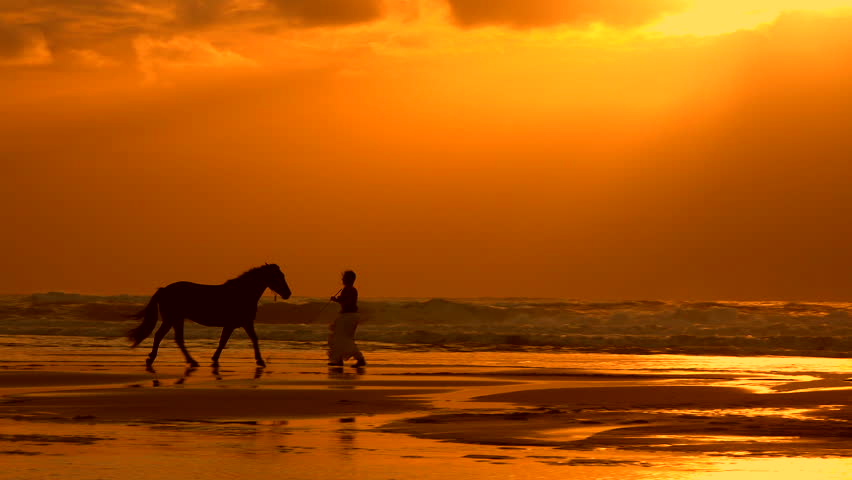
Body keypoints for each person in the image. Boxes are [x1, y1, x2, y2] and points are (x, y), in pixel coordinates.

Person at [327, 270, 366, 367]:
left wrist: (336, 300)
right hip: (348, 316)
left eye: (344, 278)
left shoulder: (350, 290)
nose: (342, 279)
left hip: (349, 316)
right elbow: (344, 301)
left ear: (347, 279)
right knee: (339, 337)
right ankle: (338, 359)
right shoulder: (348, 290)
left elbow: (347, 303)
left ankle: (360, 359)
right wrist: (337, 300)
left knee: (343, 338)